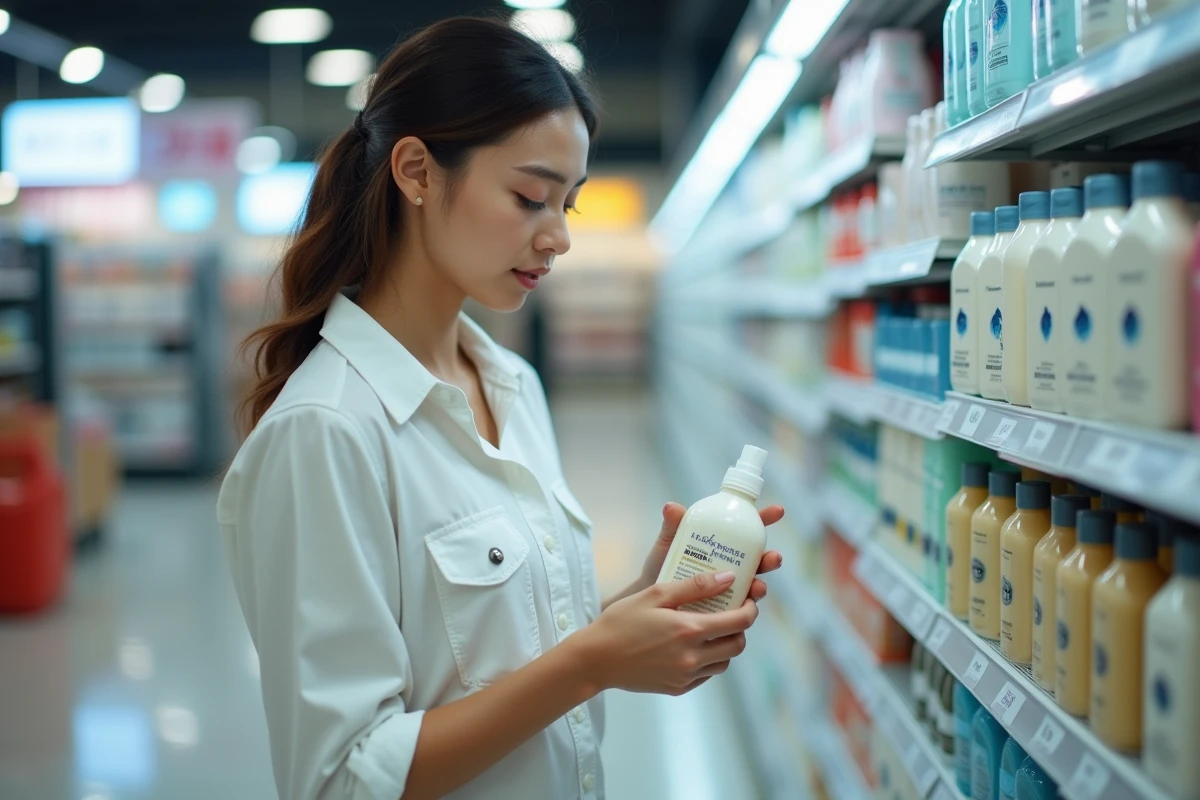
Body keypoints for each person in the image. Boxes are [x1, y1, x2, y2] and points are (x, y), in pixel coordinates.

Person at [218, 17, 785, 800]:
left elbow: (506, 660)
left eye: (569, 206)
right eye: (529, 198)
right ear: (415, 170)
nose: (556, 238)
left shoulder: (511, 384)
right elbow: (341, 778)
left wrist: (634, 614)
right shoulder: (327, 433)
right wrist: (593, 662)